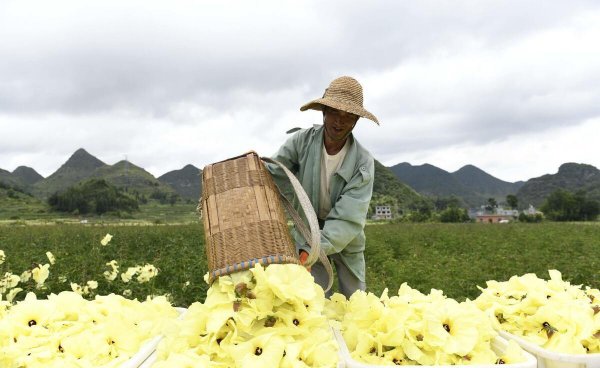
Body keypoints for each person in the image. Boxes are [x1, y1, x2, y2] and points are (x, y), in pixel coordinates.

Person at [267, 76, 379, 298]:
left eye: (348, 117)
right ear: (324, 112)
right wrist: (248, 171)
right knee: (313, 300)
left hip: (346, 237)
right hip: (308, 231)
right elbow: (272, 172)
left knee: (355, 301)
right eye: (335, 113)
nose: (339, 122)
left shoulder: (362, 162)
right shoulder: (301, 142)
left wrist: (313, 249)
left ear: (356, 120)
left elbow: (348, 218)